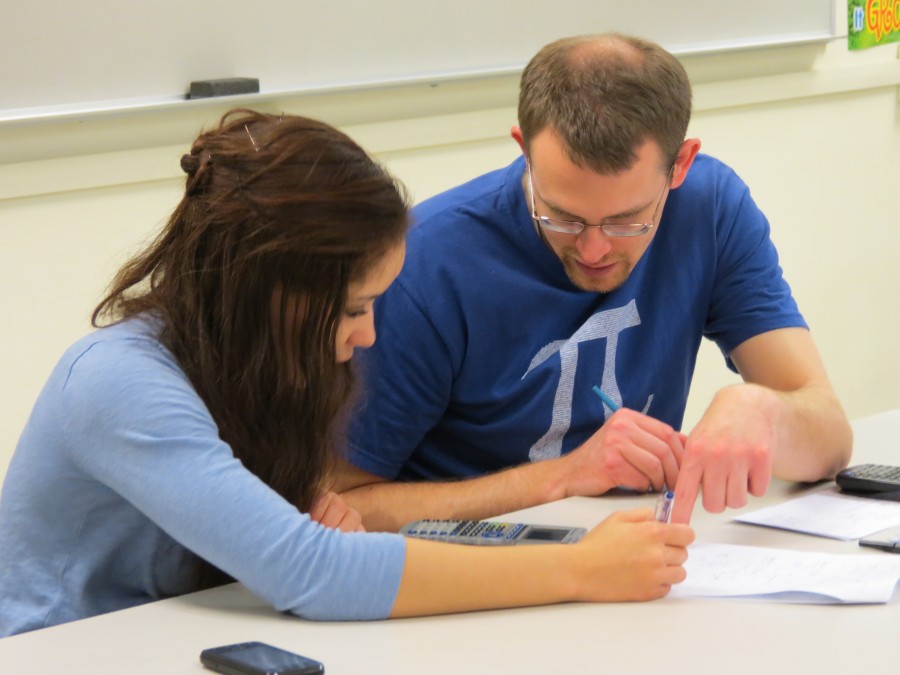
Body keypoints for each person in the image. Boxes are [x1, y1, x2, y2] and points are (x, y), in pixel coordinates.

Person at [0, 109, 694, 638]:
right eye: (354, 306)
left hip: (193, 632)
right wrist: (581, 569)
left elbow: (299, 545)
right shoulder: (117, 383)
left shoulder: (258, 360)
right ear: (269, 288)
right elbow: (313, 572)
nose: (368, 334)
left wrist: (300, 519)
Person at [335, 33, 853, 532]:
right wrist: (561, 477)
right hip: (469, 577)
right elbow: (339, 507)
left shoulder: (710, 210)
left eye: (628, 221)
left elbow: (830, 439)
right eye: (561, 217)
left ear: (681, 165)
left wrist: (766, 412)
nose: (594, 249)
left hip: (629, 565)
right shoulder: (423, 264)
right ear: (524, 151)